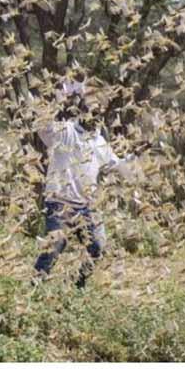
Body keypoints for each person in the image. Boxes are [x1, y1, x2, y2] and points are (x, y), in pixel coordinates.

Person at [30, 78, 146, 289]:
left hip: (84, 207)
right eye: (90, 111)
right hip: (59, 204)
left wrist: (135, 155)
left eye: (98, 113)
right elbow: (42, 126)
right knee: (54, 247)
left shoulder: (98, 142)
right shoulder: (65, 132)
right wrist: (57, 98)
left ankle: (77, 287)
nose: (94, 116)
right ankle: (35, 289)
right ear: (80, 111)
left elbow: (115, 165)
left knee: (96, 249)